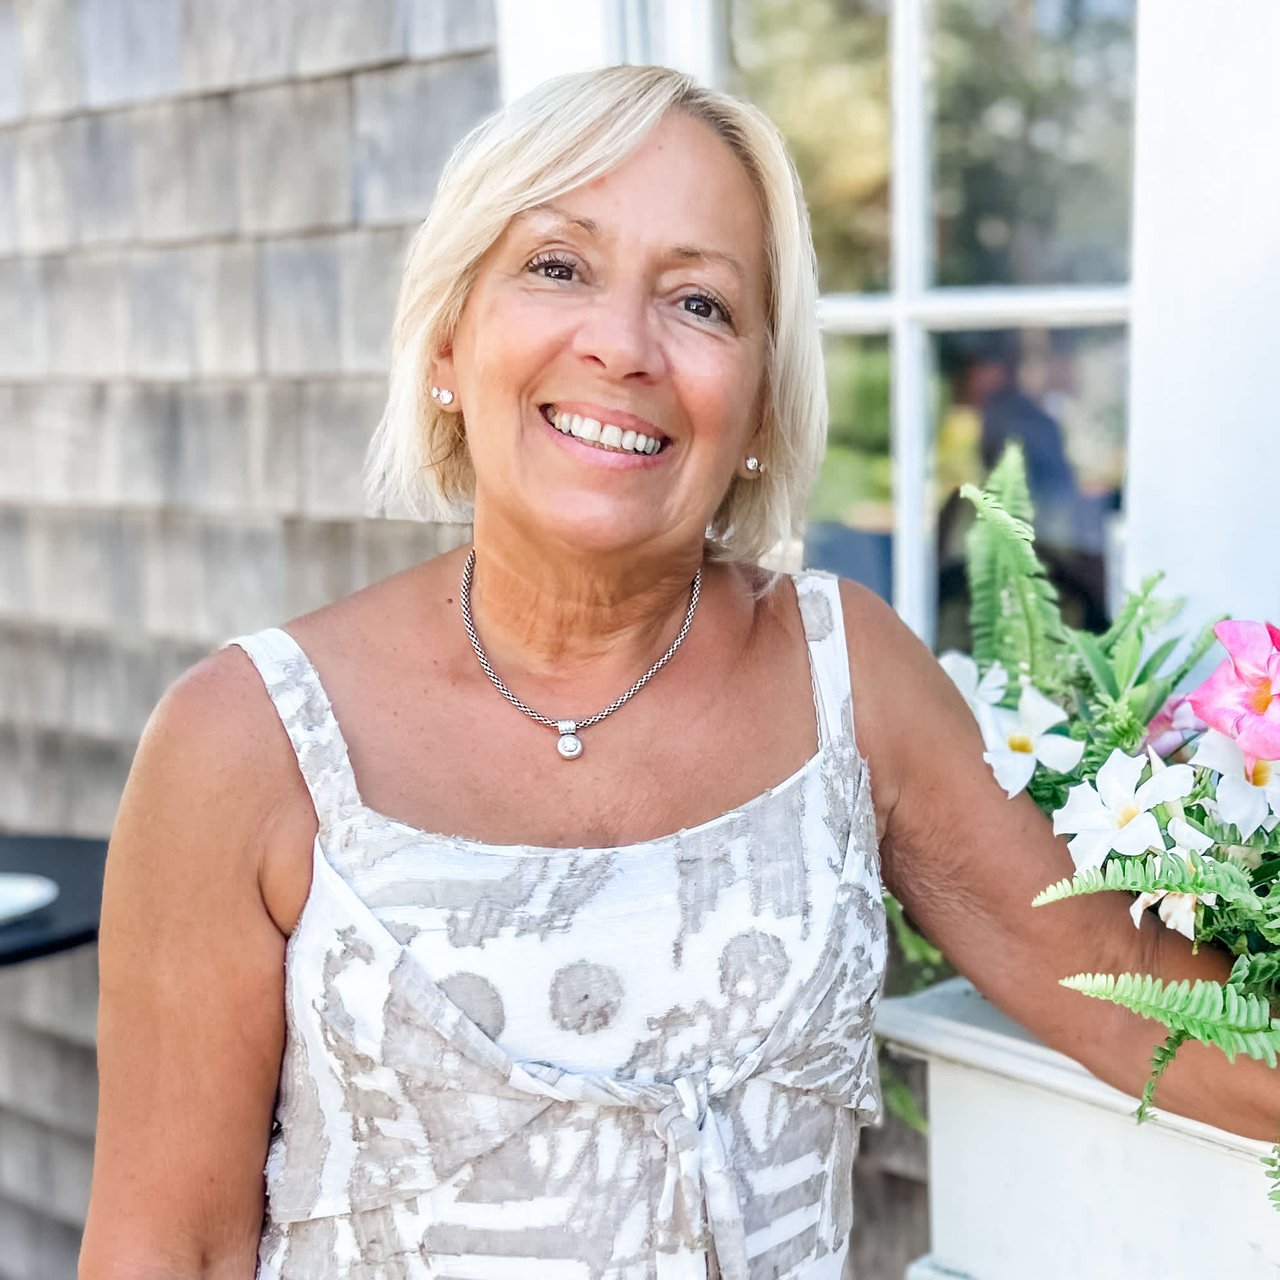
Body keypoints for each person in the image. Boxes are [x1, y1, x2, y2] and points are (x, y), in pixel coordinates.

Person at [78, 66, 1275, 1280]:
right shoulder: (245, 739)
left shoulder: (843, 676)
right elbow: (165, 1248)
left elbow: (1148, 1010)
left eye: (699, 302)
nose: (622, 344)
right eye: (556, 265)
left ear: (757, 402)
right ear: (449, 336)